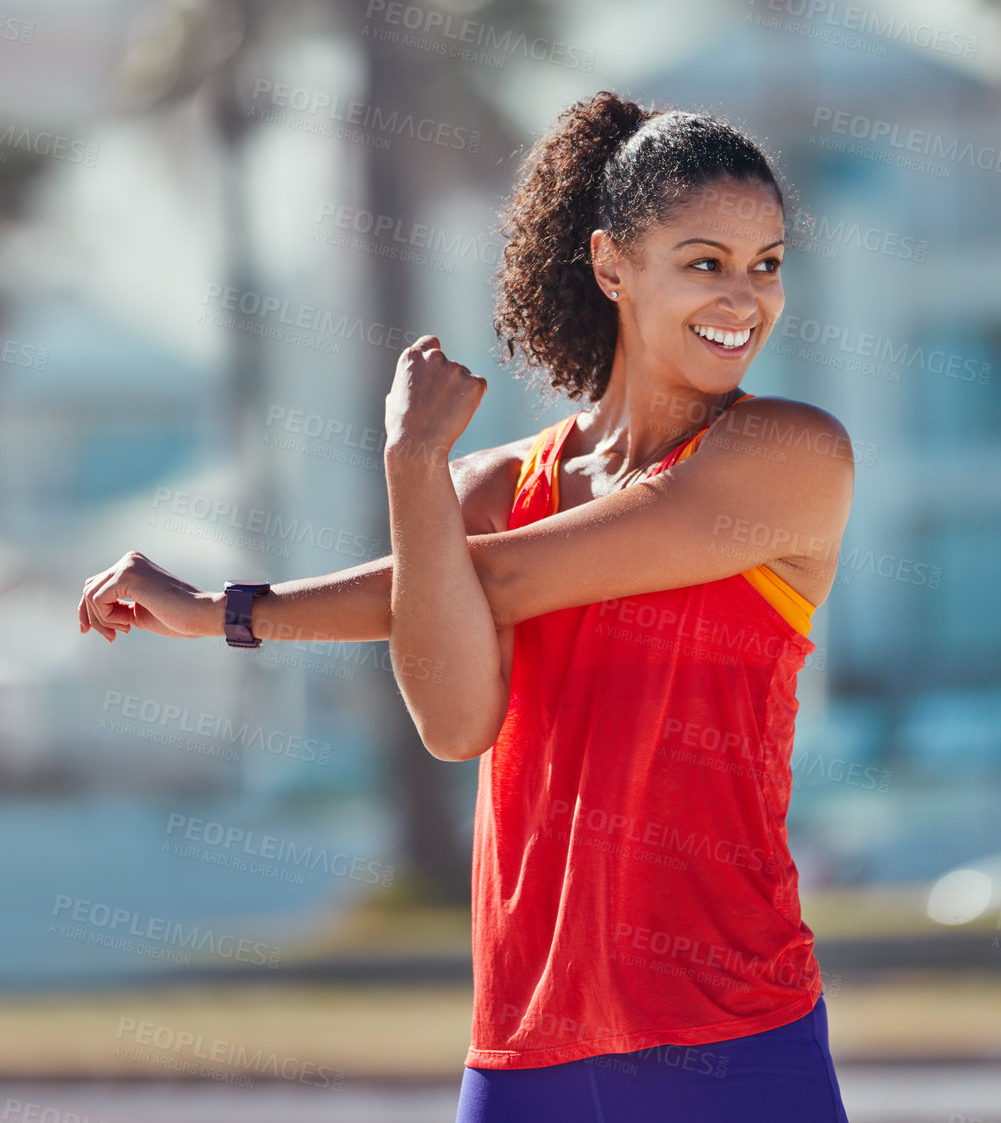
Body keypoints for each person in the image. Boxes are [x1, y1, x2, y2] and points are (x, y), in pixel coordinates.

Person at [79, 90, 856, 1121]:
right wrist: (414, 470)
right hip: (523, 1049)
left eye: (766, 265)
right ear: (611, 266)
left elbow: (495, 579)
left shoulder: (786, 457)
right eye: (704, 262)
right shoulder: (491, 489)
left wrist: (224, 607)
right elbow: (454, 726)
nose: (743, 298)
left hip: (733, 1038)